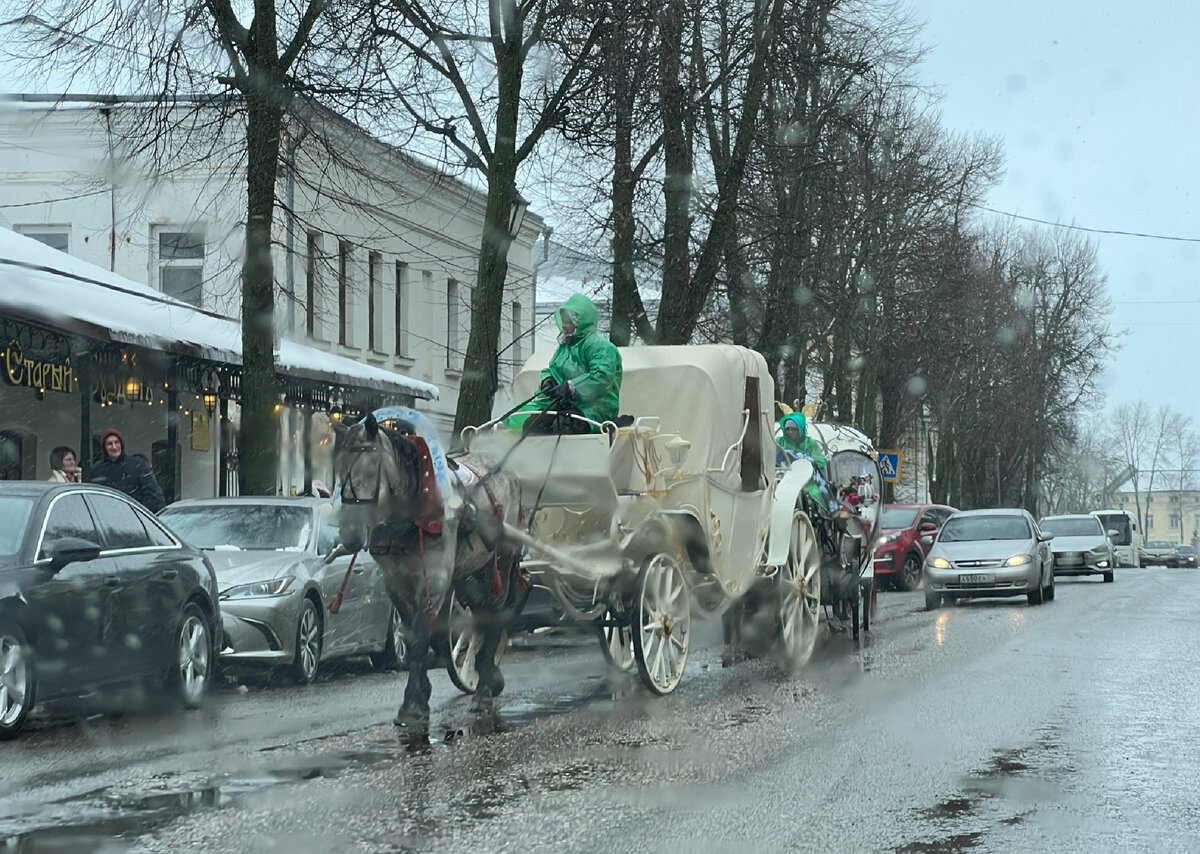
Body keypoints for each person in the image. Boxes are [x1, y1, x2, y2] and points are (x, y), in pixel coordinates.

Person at [505, 293, 622, 434]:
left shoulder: (600, 346)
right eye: (564, 321)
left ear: (581, 321)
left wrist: (571, 387)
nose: (564, 326)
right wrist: (548, 381)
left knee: (563, 426)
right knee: (528, 423)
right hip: (563, 405)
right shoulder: (566, 347)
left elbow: (602, 377)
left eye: (569, 321)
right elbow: (553, 369)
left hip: (596, 407)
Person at [87, 428, 166, 512]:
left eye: (116, 442)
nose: (114, 447)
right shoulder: (97, 470)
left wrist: (138, 513)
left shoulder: (138, 465)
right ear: (104, 447)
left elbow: (152, 494)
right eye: (109, 444)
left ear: (122, 444)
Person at [776, 412, 834, 512]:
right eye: (788, 429)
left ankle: (819, 518)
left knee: (815, 493)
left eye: (793, 429)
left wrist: (801, 459)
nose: (790, 432)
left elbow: (819, 462)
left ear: (800, 430)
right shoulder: (779, 442)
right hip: (783, 480)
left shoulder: (810, 443)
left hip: (807, 481)